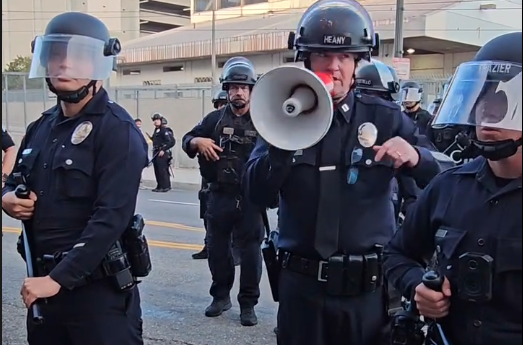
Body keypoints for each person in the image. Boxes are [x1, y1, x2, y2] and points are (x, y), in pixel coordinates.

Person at [243, 1, 443, 344]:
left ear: (357, 63)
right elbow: (256, 194)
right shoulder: (279, 117)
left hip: (366, 295)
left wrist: (417, 157)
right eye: (322, 55)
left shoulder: (384, 117)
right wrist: (282, 143)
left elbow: (440, 179)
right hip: (301, 292)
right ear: (306, 59)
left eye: (346, 57)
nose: (334, 67)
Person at [0, 12, 148, 345]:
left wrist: (58, 278)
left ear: (99, 64)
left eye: (78, 56)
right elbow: (16, 179)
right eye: (56, 54)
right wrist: (8, 197)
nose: (64, 64)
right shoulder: (41, 128)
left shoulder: (117, 132)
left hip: (97, 297)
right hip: (43, 291)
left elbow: (110, 218)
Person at [383, 31, 522, 345]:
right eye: (484, 103)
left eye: (507, 104)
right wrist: (417, 285)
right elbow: (396, 253)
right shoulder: (449, 186)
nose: (489, 117)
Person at [182, 57, 263, 326]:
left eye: (243, 87)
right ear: (226, 90)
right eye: (233, 87)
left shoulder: (265, 120)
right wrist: (198, 141)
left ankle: (248, 304)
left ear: (251, 90)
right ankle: (220, 297)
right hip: (219, 195)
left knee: (251, 253)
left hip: (251, 198)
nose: (238, 92)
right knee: (217, 250)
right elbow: (186, 140)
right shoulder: (214, 119)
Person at [355, 59, 421, 223]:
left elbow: (420, 164)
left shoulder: (397, 122)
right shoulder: (338, 120)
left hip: (380, 227)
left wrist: (413, 206)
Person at [192, 89, 235, 261]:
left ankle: (233, 249)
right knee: (208, 216)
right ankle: (208, 245)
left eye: (225, 104)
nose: (222, 108)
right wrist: (198, 142)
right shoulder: (212, 122)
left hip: (234, 182)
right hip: (212, 179)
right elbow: (190, 138)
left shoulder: (244, 121)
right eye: (219, 105)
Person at [151, 112, 175, 192]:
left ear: (161, 120)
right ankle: (159, 186)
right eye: (154, 120)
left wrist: (163, 150)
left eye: (157, 120)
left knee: (162, 170)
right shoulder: (156, 130)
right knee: (157, 170)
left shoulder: (164, 130)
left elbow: (170, 142)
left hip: (162, 153)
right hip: (156, 151)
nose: (155, 121)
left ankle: (165, 186)